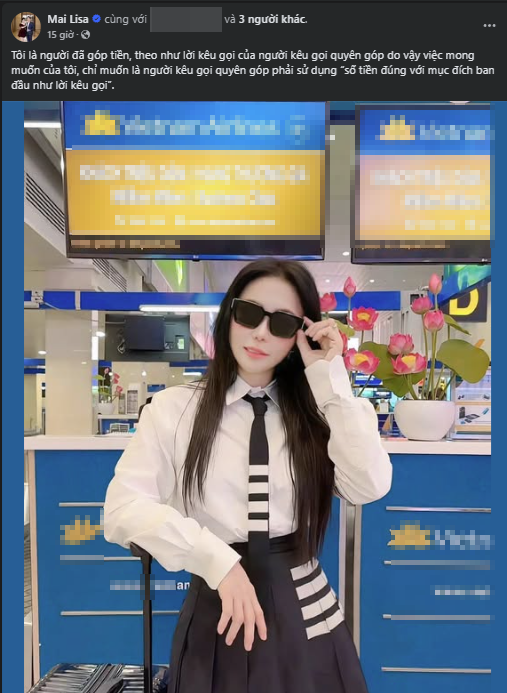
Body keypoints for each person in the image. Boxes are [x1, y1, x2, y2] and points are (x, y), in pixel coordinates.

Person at [104, 259, 393, 693]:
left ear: (299, 336)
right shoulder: (174, 410)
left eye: (281, 323)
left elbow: (368, 485)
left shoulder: (317, 411)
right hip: (216, 607)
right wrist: (216, 561)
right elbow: (122, 509)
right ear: (229, 315)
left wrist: (329, 379)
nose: (260, 333)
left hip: (306, 614)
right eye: (249, 313)